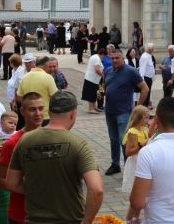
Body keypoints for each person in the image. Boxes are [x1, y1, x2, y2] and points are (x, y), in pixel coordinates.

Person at [6, 90, 104, 224]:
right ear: (73, 113)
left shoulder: (25, 140)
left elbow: (11, 183)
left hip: (34, 220)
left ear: (49, 111)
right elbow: (96, 189)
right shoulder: (78, 145)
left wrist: (40, 189)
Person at [0, 93, 45, 224]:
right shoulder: (13, 143)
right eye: (32, 109)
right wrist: (30, 187)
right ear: (22, 111)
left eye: (41, 108)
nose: (38, 113)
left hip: (47, 213)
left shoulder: (51, 138)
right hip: (21, 215)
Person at [103, 49, 149, 175]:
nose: (114, 60)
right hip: (109, 110)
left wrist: (138, 107)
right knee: (113, 139)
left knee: (125, 141)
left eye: (117, 58)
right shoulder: (108, 70)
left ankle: (129, 168)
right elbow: (104, 86)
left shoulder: (130, 71)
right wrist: (101, 92)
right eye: (112, 58)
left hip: (124, 112)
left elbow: (145, 88)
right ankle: (115, 164)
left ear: (123, 58)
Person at [122, 106, 150, 224]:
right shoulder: (133, 132)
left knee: (141, 193)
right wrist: (141, 145)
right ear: (139, 118)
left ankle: (135, 218)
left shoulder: (142, 129)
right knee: (136, 193)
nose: (148, 120)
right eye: (146, 118)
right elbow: (127, 152)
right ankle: (128, 219)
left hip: (141, 161)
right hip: (135, 162)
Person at [16, 55, 57, 126]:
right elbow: (55, 97)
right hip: (44, 116)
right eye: (49, 66)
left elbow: (19, 99)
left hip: (29, 115)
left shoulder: (25, 77)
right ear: (45, 66)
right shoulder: (47, 77)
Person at [82, 48, 105, 114]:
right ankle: (90, 108)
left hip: (94, 79)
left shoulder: (94, 56)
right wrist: (103, 75)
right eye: (103, 56)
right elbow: (97, 69)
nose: (103, 58)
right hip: (92, 79)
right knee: (91, 93)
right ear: (102, 54)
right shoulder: (97, 59)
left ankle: (94, 106)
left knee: (95, 93)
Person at [139, 43, 155, 108]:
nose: (153, 50)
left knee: (148, 95)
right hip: (146, 78)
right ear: (149, 50)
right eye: (152, 49)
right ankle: (144, 109)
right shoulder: (145, 57)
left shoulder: (149, 56)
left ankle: (145, 109)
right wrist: (142, 80)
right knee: (145, 95)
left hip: (149, 78)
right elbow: (142, 68)